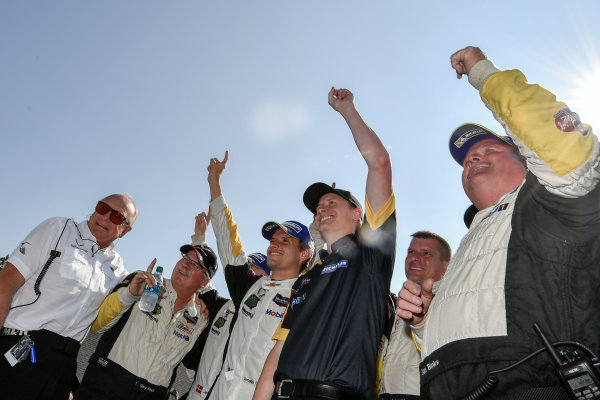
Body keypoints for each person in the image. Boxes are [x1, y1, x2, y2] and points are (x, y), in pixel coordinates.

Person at [397, 46, 600, 399]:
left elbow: (559, 142)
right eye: (465, 161)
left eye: (489, 149)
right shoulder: (470, 240)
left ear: (524, 154)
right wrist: (423, 323)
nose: (473, 157)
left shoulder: (551, 199)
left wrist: (483, 73)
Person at [254, 86, 395, 400]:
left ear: (358, 213)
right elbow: (279, 350)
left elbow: (380, 164)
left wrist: (347, 111)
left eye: (332, 202)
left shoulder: (371, 255)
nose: (322, 208)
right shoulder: (305, 279)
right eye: (318, 208)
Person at [0, 193, 137, 400]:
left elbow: (104, 319)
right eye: (102, 208)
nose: (105, 216)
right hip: (20, 347)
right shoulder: (57, 229)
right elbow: (6, 283)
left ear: (125, 231)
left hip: (63, 367)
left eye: (117, 216)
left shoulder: (117, 269)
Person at [205, 152, 314, 400]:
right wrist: (215, 184)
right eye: (273, 240)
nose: (274, 245)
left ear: (304, 254)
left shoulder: (306, 297)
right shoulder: (249, 285)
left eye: (285, 241)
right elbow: (227, 239)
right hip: (221, 391)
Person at [75, 243, 217, 400]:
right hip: (103, 386)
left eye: (194, 264)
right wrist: (129, 295)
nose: (184, 264)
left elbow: (199, 370)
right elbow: (97, 323)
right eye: (185, 258)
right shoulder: (143, 282)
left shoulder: (202, 319)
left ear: (204, 282)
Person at [378, 231, 450, 400]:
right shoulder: (393, 304)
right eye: (411, 252)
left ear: (445, 266)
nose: (415, 258)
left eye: (426, 253)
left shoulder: (452, 299)